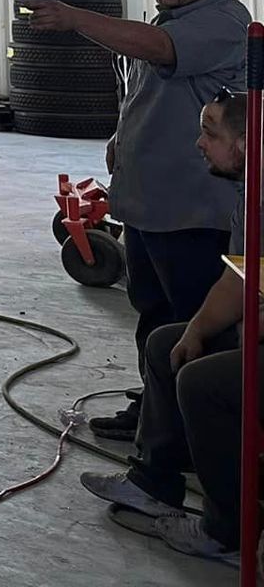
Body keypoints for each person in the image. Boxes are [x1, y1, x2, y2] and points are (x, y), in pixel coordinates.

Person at [20, 0, 249, 440]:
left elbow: (157, 48)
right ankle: (157, 410)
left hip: (191, 210)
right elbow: (150, 87)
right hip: (149, 204)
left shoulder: (222, 22)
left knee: (192, 323)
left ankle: (194, 428)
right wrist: (122, 135)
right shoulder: (171, 15)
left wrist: (76, 17)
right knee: (152, 315)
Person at [79, 88, 252, 565]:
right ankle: (154, 482)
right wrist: (198, 330)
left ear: (244, 143)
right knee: (167, 344)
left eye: (209, 132)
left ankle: (227, 532)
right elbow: (237, 278)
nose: (198, 143)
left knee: (202, 382)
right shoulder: (245, 191)